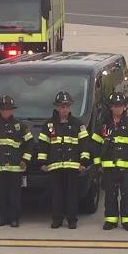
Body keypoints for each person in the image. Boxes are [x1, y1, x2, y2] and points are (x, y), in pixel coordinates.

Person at [37, 91, 91, 229]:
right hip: (55, 166)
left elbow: (85, 145)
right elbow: (43, 145)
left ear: (70, 107)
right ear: (57, 107)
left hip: (72, 166)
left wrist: (83, 163)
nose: (64, 109)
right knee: (56, 194)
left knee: (71, 195)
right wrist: (42, 163)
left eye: (67, 106)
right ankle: (57, 219)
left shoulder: (78, 125)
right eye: (62, 106)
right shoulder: (48, 125)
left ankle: (72, 220)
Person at [92, 92, 128, 231]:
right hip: (109, 169)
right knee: (110, 195)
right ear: (110, 107)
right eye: (115, 106)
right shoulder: (103, 125)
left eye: (120, 106)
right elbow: (95, 145)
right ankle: (111, 220)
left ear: (125, 106)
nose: (117, 108)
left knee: (127, 195)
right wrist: (98, 164)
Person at [0, 95, 33, 228]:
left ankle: (14, 219)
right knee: (1, 195)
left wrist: (25, 160)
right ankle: (3, 218)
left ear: (12, 110)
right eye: (3, 109)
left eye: (8, 109)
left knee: (14, 195)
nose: (6, 111)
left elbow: (29, 144)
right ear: (0, 109)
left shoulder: (20, 126)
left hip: (16, 168)